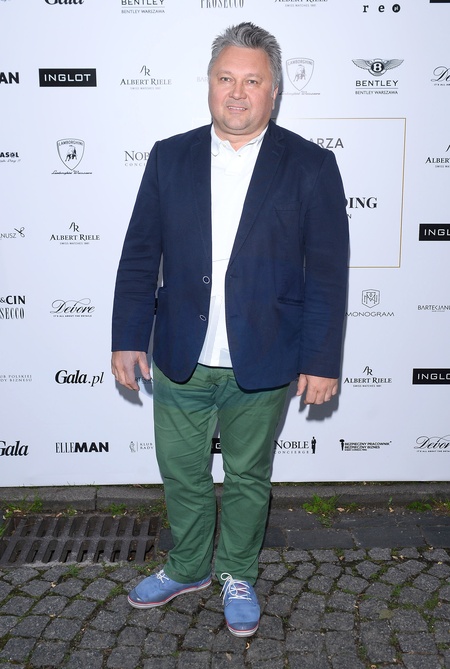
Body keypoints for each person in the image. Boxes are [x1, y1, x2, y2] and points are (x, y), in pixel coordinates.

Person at [111, 22, 349, 638]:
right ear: (210, 84)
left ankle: (237, 571)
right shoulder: (169, 156)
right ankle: (188, 565)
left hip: (264, 356)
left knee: (247, 476)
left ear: (274, 91)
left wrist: (322, 360)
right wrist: (127, 337)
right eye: (226, 78)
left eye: (252, 81)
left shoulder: (311, 165)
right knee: (181, 472)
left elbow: (327, 273)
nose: (237, 93)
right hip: (180, 355)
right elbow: (140, 255)